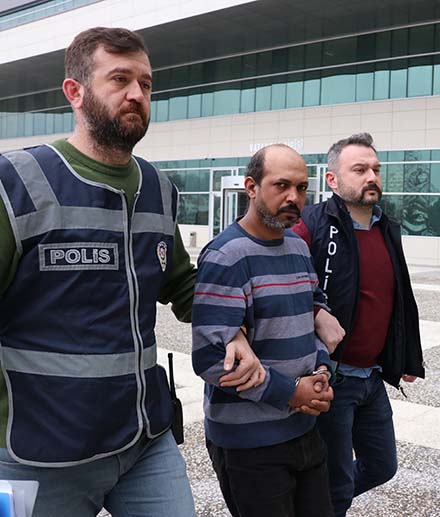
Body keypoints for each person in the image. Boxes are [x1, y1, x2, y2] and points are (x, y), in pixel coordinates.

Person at [0, 26, 262, 517]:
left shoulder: (159, 188)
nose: (137, 94)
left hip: (143, 441)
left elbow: (183, 284)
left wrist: (234, 328)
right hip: (37, 453)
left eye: (146, 83)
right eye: (119, 79)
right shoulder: (14, 183)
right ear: (75, 92)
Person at [192, 144, 336, 517]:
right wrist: (290, 393)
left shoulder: (298, 247)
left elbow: (311, 315)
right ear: (251, 187)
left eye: (301, 188)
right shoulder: (226, 256)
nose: (294, 197)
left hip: (305, 430)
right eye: (281, 185)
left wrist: (321, 371)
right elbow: (210, 358)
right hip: (250, 446)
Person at [293, 133, 425, 517]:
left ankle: (313, 498)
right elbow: (279, 280)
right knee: (336, 485)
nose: (372, 177)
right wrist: (315, 312)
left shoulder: (386, 227)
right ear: (332, 180)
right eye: (360, 169)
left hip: (372, 377)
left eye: (376, 170)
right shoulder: (311, 224)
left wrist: (406, 357)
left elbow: (398, 299)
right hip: (332, 377)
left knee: (383, 465)